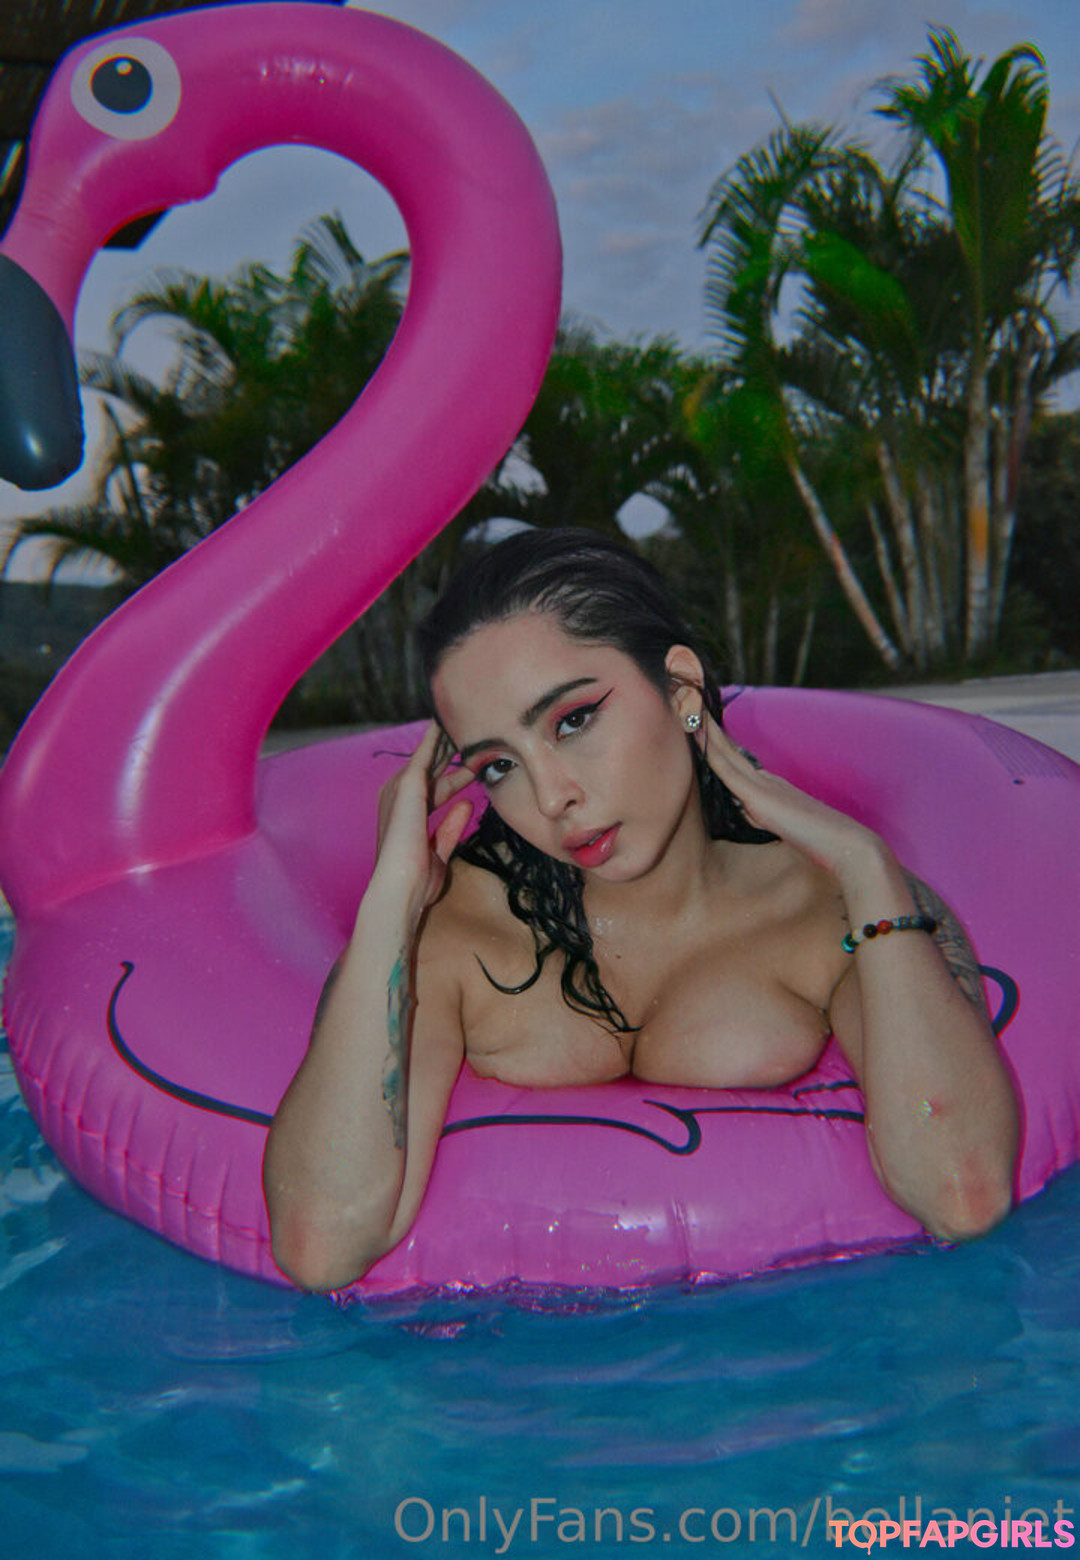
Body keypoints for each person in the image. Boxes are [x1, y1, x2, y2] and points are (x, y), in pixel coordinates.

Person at [263, 527, 1019, 1291]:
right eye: (499, 766)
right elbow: (320, 1244)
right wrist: (391, 903)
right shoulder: (459, 931)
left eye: (573, 720)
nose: (551, 797)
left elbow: (962, 1194)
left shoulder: (824, 910)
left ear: (681, 690)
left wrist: (864, 864)